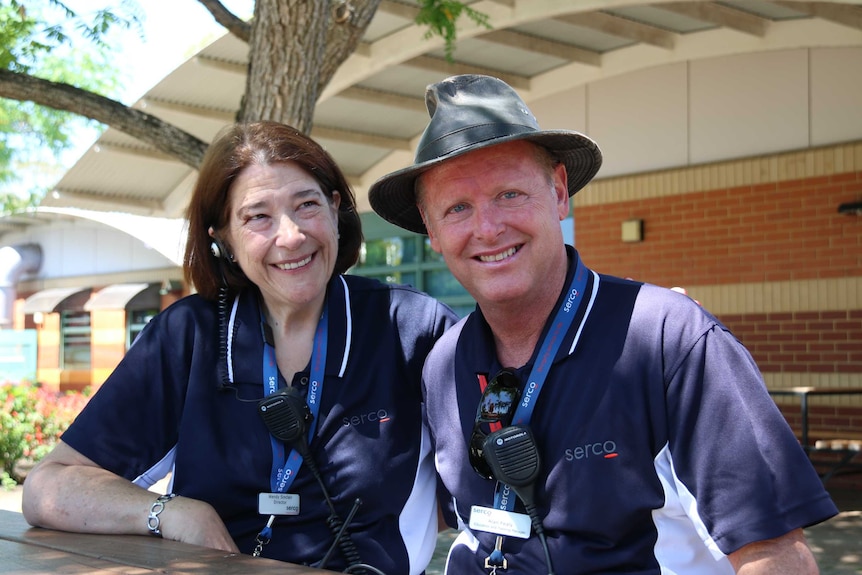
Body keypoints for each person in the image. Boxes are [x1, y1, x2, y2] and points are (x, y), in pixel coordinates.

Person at [368, 75, 838, 574]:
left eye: (509, 194)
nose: (487, 228)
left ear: (559, 191)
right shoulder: (444, 364)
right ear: (431, 228)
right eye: (457, 207)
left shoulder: (667, 338)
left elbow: (774, 554)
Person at [22, 121, 458, 574]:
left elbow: (471, 498)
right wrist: (174, 513)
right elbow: (49, 488)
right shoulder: (189, 335)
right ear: (223, 236)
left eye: (306, 205)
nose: (290, 236)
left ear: (334, 209)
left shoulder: (412, 327)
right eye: (258, 217)